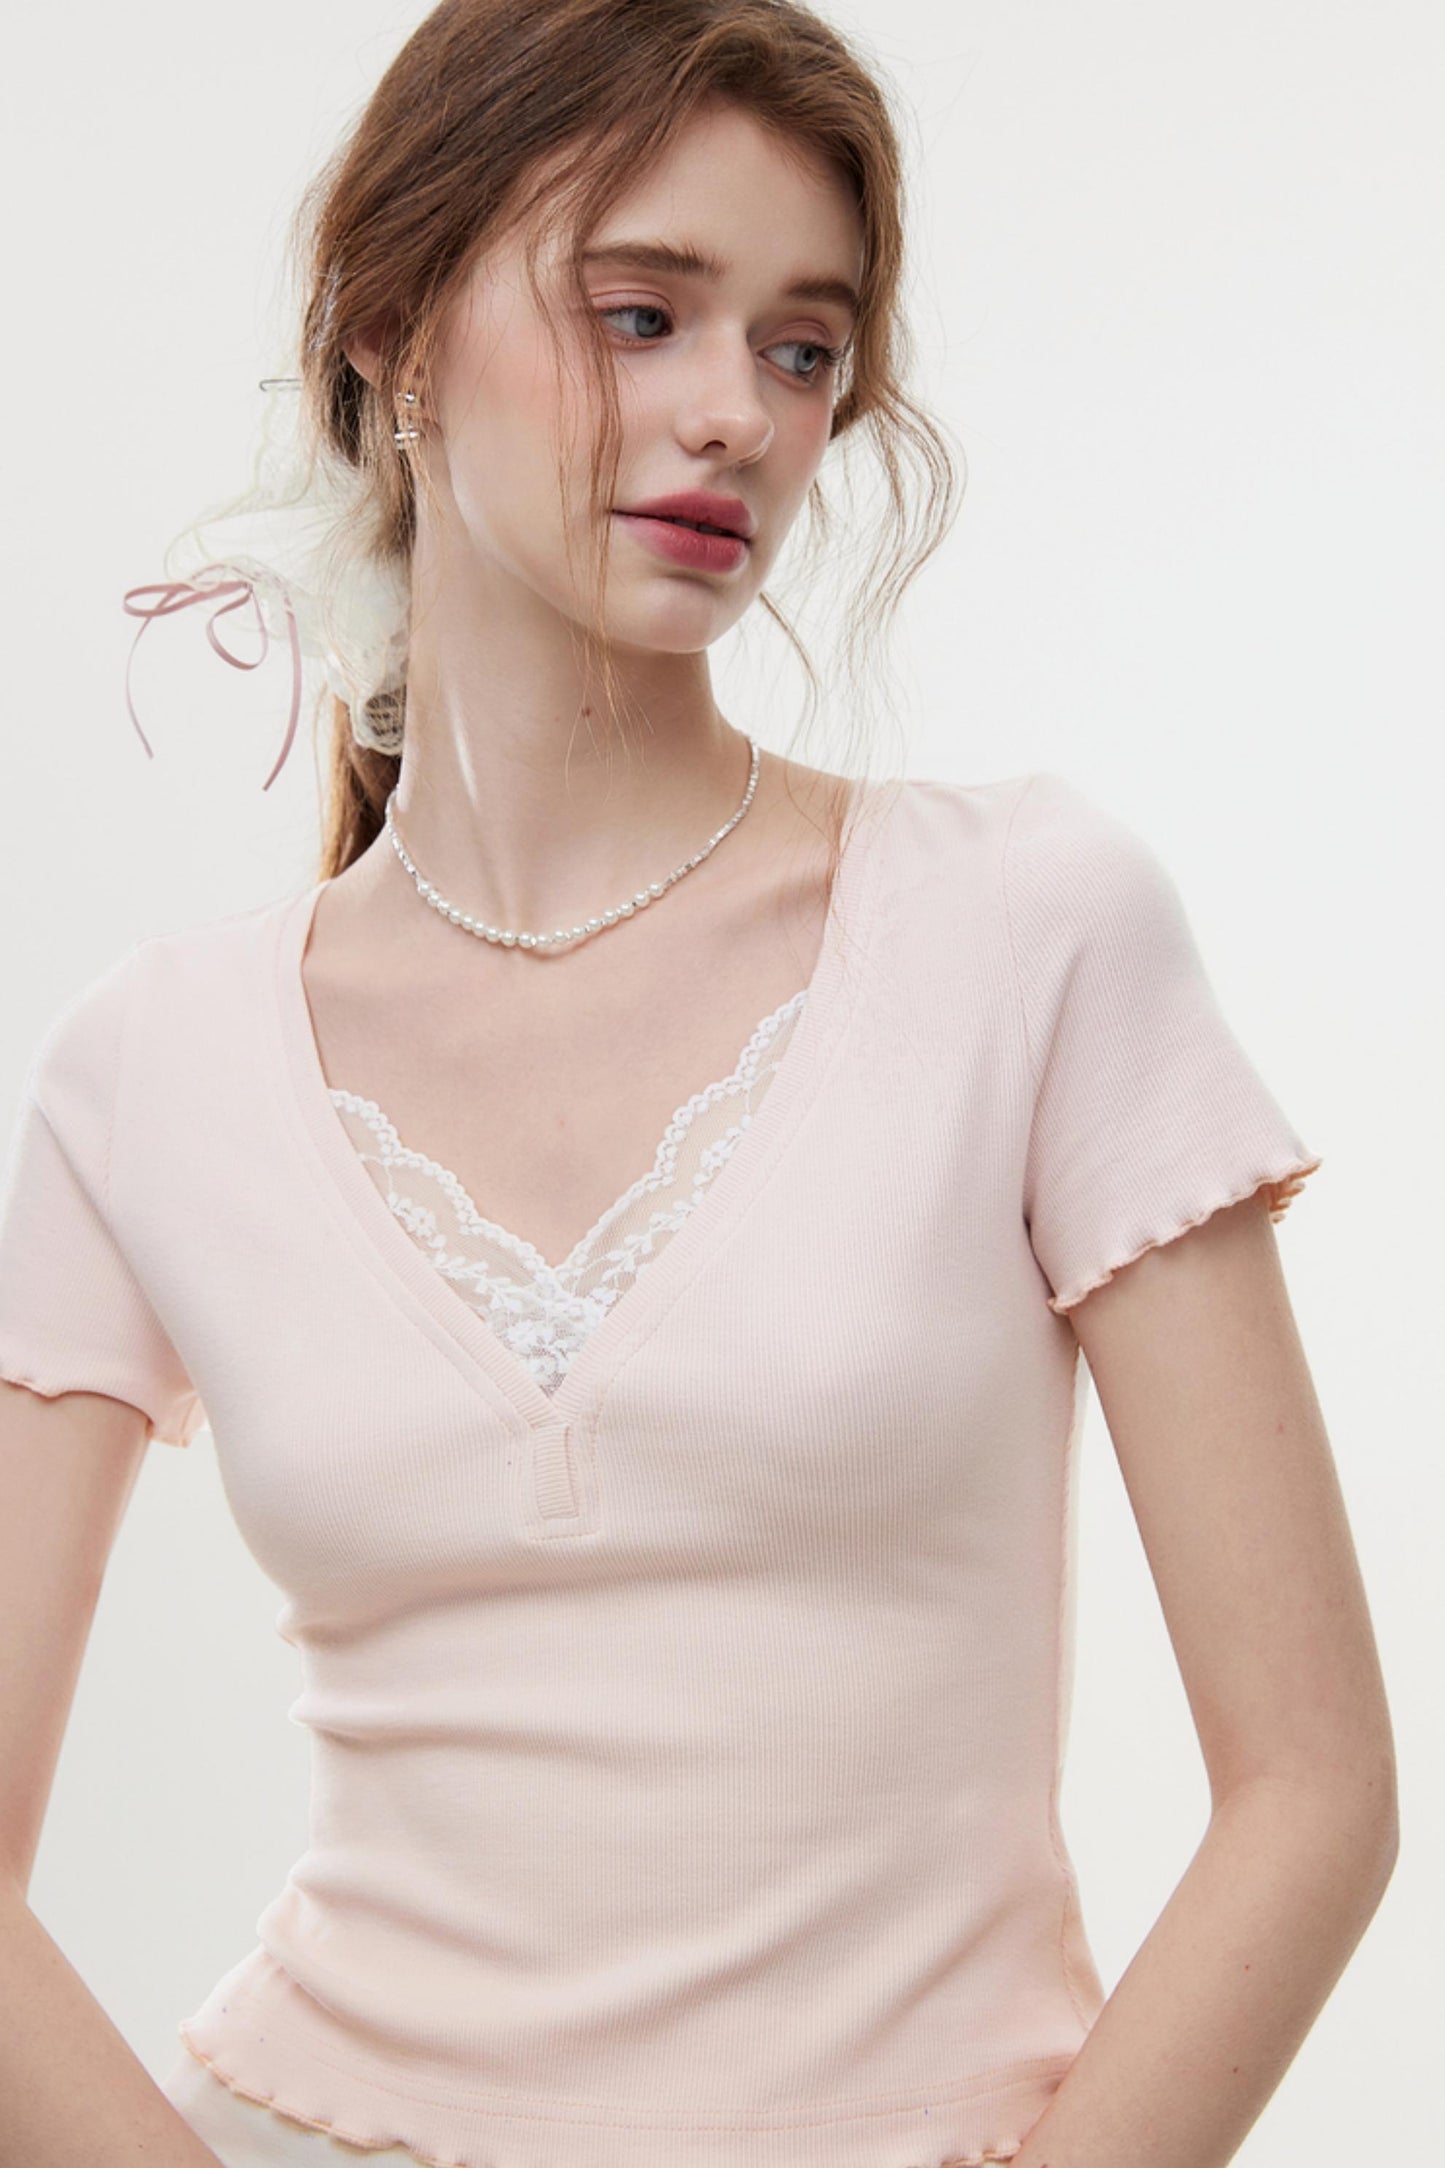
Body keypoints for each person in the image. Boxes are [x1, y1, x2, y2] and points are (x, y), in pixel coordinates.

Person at [0, 1, 1398, 2164]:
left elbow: (1314, 1793)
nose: (735, 412)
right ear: (389, 332)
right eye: (641, 313)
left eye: (804, 349)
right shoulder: (147, 1069)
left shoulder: (1030, 926)